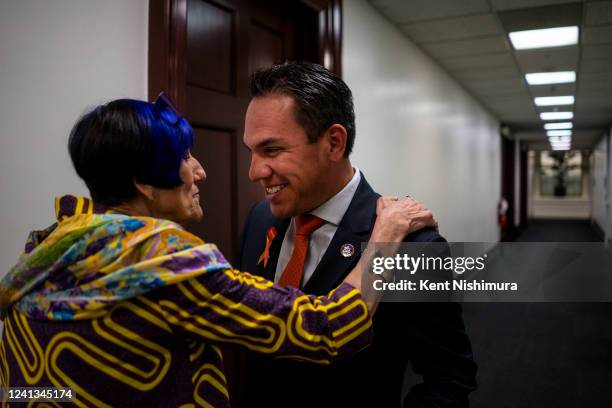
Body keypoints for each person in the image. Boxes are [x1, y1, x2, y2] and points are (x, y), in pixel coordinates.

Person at [0, 94, 435, 407]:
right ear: (145, 183)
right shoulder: (167, 264)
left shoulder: (48, 249)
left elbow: (17, 389)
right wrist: (383, 242)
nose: (200, 171)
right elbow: (325, 328)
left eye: (272, 149)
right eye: (185, 158)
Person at [238, 62, 478, 407]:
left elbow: (449, 377)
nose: (254, 172)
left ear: (334, 143)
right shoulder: (260, 219)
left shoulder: (414, 250)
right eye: (252, 152)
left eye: (272, 150)